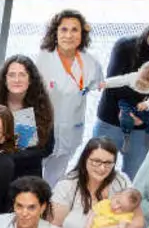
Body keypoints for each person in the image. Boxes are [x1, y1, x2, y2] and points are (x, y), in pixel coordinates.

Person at [94, 10, 149, 180]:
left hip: (141, 126)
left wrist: (143, 116)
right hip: (110, 120)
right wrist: (127, 111)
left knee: (133, 177)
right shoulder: (125, 46)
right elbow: (113, 84)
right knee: (97, 174)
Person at [34, 10, 105, 186]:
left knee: (56, 177)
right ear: (55, 33)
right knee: (30, 173)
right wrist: (25, 132)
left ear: (82, 35)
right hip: (40, 129)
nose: (69, 35)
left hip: (70, 130)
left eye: (75, 30)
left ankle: (49, 209)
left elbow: (98, 85)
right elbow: (24, 97)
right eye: (64, 29)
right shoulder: (42, 58)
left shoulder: (90, 63)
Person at [0, 55, 57, 180]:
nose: (16, 80)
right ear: (4, 79)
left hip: (25, 172)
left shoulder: (40, 106)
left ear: (30, 79)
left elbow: (46, 148)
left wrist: (7, 157)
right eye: (12, 75)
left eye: (22, 75)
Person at [101, 60, 149, 152]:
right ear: (138, 71)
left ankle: (148, 141)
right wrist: (105, 83)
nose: (142, 81)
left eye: (147, 80)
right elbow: (119, 80)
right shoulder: (133, 77)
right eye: (141, 77)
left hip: (143, 104)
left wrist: (147, 104)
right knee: (125, 117)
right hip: (127, 102)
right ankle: (126, 139)